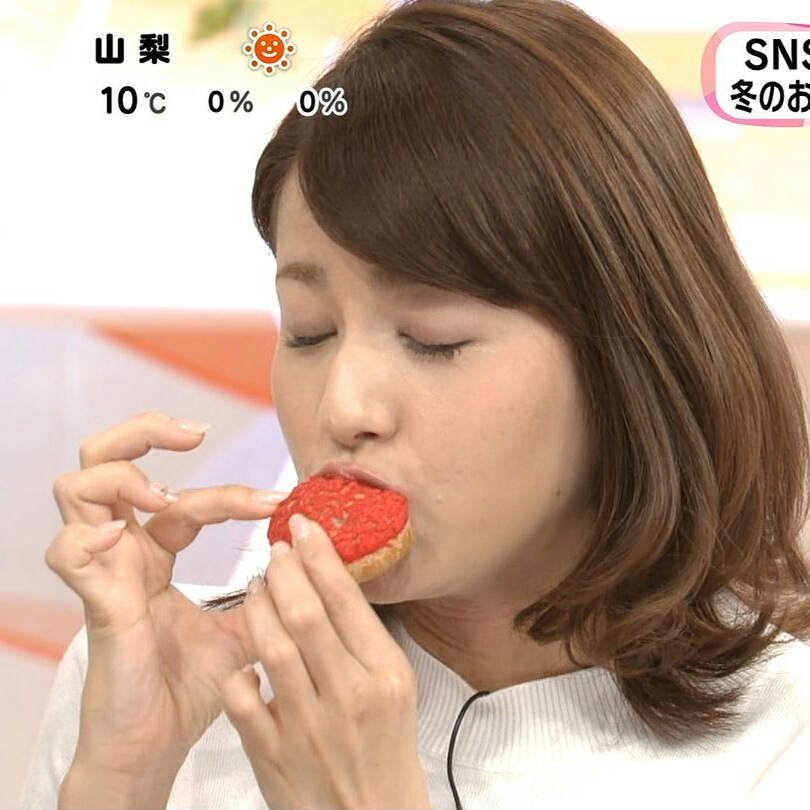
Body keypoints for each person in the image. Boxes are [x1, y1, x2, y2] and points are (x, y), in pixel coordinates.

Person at [20, 0, 810, 808]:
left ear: (628, 355)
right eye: (308, 330)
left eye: (433, 339)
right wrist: (122, 776)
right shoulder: (156, 673)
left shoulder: (784, 749)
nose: (343, 407)